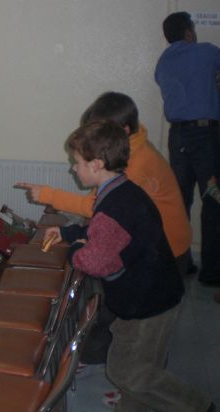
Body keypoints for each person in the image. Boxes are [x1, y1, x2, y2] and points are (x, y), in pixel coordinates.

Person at [44, 119, 213, 412]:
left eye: (77, 163)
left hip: (148, 303)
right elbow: (100, 231)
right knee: (138, 369)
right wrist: (71, 233)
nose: (74, 168)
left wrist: (73, 250)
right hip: (149, 295)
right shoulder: (119, 190)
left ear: (96, 164)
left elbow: (94, 261)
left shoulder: (115, 206)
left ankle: (199, 405)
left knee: (128, 372)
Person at [17, 92, 193, 277]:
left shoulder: (134, 165)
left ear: (123, 130)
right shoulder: (128, 147)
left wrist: (48, 195)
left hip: (165, 249)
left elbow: (94, 207)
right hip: (155, 243)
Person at [155, 11, 220, 285]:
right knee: (214, 200)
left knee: (179, 201)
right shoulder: (206, 52)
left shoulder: (163, 62)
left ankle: (181, 264)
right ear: (189, 33)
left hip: (178, 137)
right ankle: (213, 272)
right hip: (206, 136)